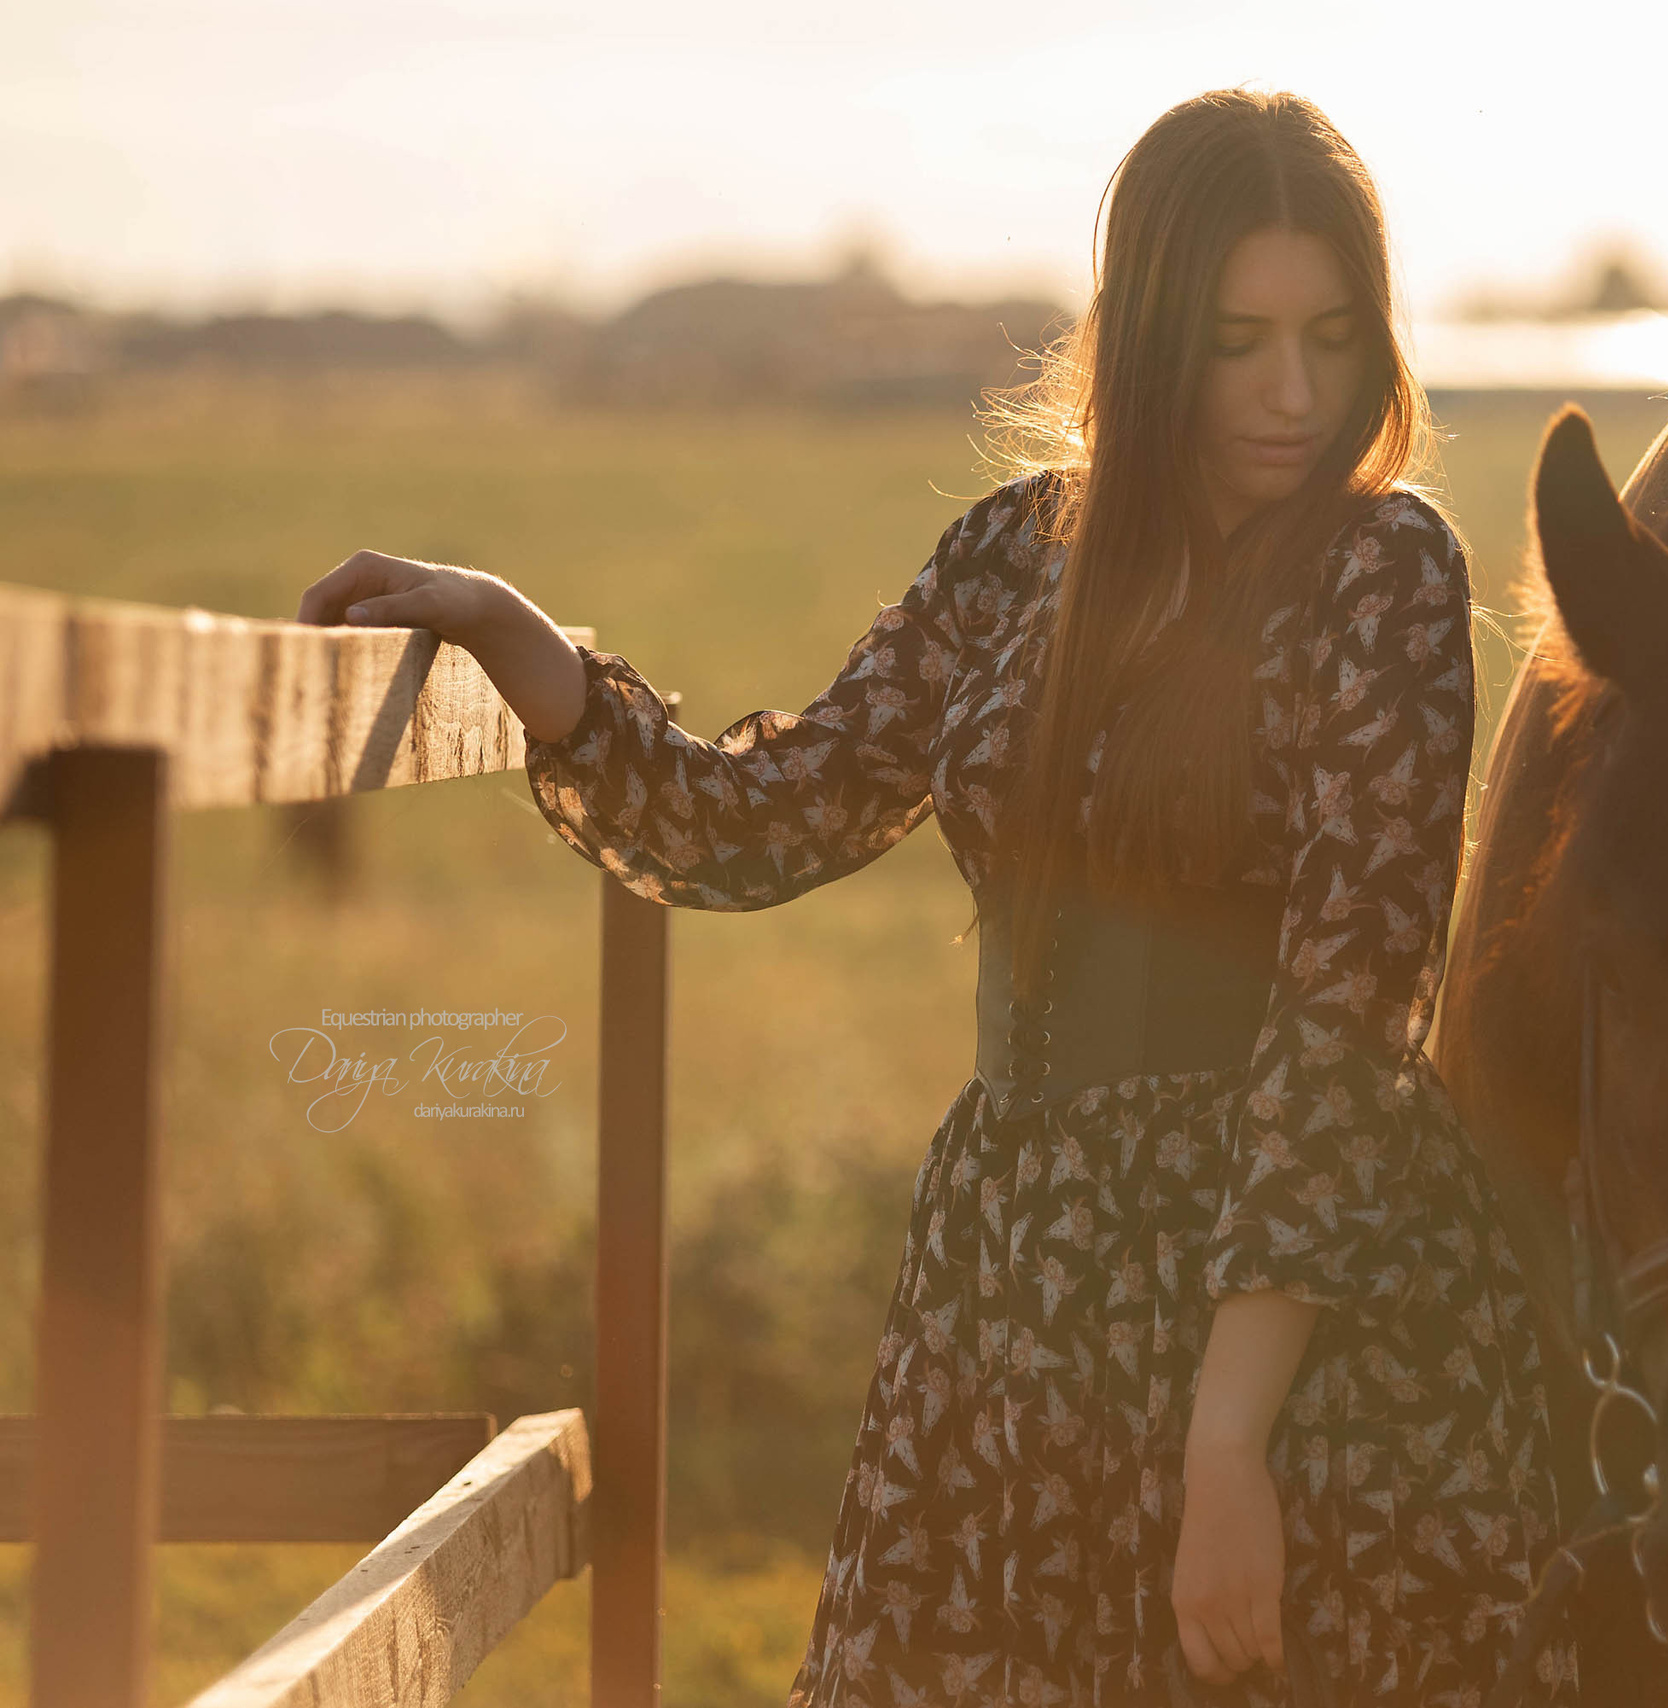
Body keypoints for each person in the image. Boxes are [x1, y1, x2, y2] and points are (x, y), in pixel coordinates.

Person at [297, 87, 1578, 1708]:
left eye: (1333, 340)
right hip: (1018, 1281)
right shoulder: (1009, 561)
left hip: (1295, 1312)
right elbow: (761, 821)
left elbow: (1349, 1022)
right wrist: (513, 633)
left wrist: (1230, 1442)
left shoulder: (1382, 572)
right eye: (1239, 342)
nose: (1294, 394)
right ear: (1148, 339)